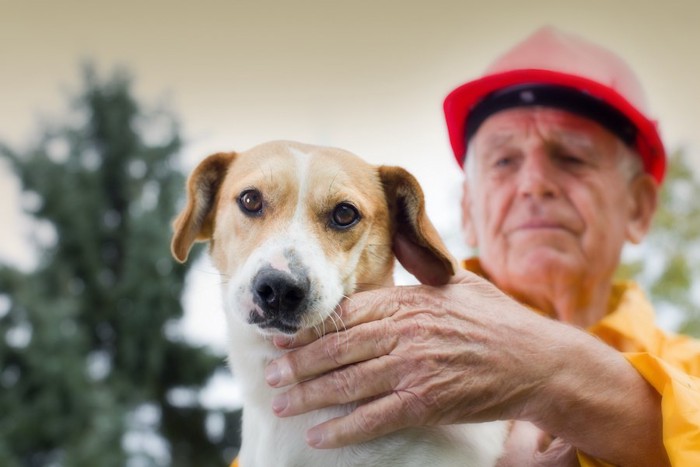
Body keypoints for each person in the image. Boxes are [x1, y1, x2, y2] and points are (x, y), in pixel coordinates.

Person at [262, 27, 700, 466]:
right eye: (504, 161)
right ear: (467, 209)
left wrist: (553, 375)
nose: (533, 184)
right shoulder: (330, 349)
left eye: (572, 157)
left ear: (640, 207)